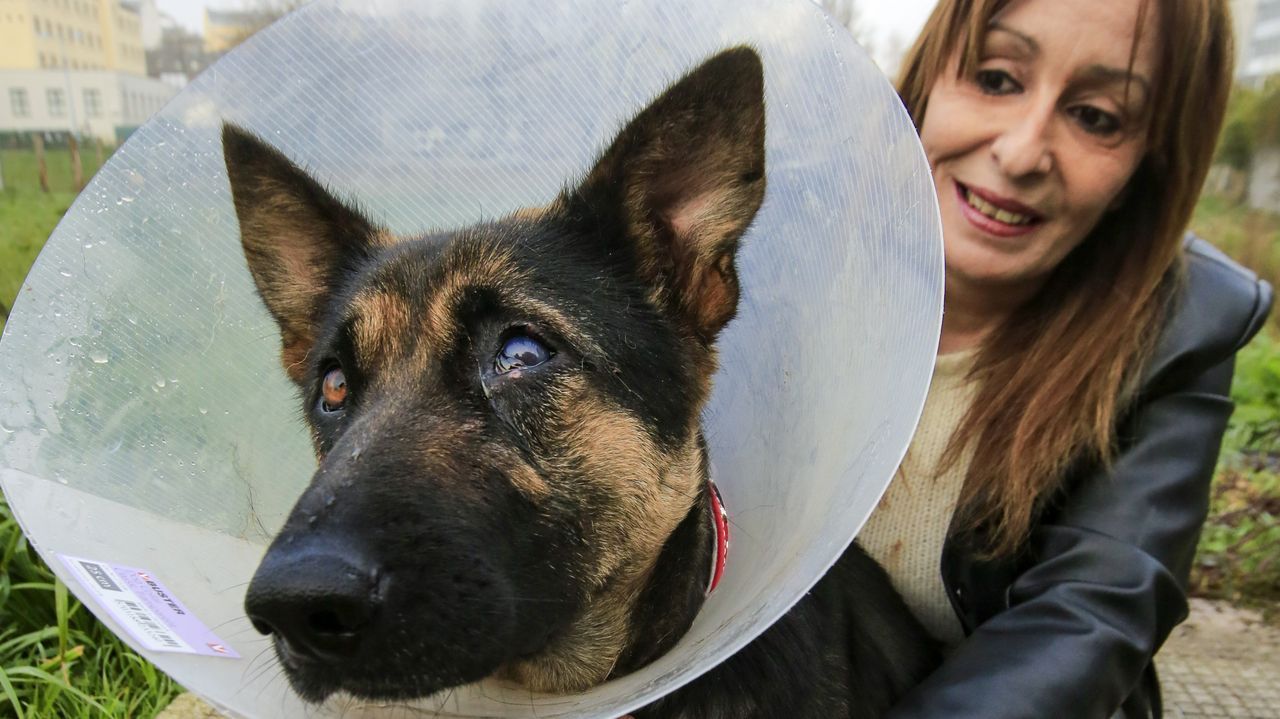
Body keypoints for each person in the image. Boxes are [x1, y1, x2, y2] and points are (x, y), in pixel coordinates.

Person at [857, 0, 1273, 717]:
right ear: (927, 79)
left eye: (1097, 117)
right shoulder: (782, 245)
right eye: (996, 78)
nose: (1020, 153)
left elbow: (1088, 619)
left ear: (1149, 168)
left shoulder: (1178, 334)